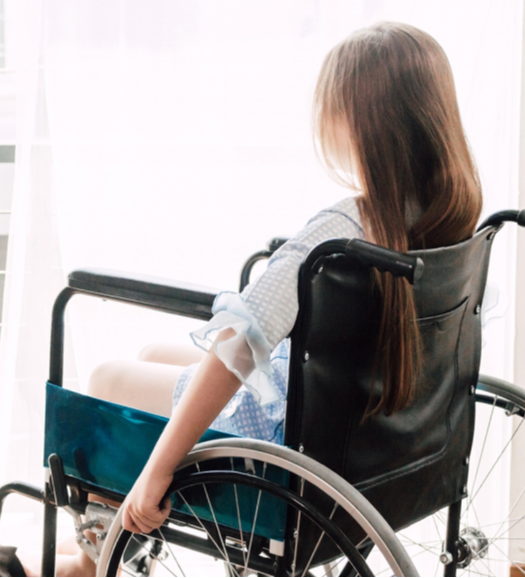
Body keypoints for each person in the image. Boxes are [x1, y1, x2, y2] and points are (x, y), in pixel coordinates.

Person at [16, 20, 482, 577]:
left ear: (359, 120)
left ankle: (88, 564)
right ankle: (111, 544)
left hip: (288, 444)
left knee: (108, 379)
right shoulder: (451, 219)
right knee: (151, 355)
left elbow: (239, 345)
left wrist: (157, 472)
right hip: (372, 437)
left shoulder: (341, 233)